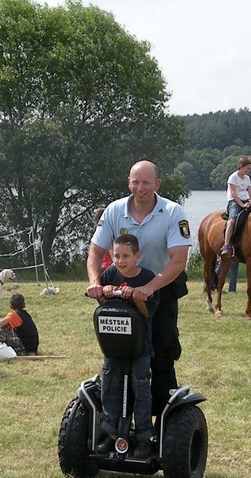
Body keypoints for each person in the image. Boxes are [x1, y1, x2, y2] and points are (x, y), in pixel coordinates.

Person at [86, 160, 191, 419]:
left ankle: (164, 418)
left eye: (146, 182)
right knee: (119, 352)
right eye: (135, 182)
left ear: (157, 184)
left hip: (161, 286)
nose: (140, 188)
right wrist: (95, 282)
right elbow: (95, 252)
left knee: (161, 350)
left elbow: (179, 260)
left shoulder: (172, 212)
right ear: (128, 182)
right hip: (121, 290)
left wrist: (149, 288)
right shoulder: (114, 210)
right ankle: (118, 413)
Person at [94, 234, 159, 457]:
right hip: (114, 346)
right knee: (110, 387)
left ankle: (142, 438)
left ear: (137, 256)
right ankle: (110, 435)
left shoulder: (148, 278)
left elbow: (148, 313)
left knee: (141, 391)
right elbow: (102, 302)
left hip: (140, 347)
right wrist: (102, 291)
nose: (120, 261)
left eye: (125, 256)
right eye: (116, 256)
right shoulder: (109, 274)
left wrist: (137, 296)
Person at [220, 156, 251, 257]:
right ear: (241, 166)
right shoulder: (233, 177)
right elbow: (233, 193)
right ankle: (226, 245)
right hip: (234, 202)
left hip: (246, 200)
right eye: (247, 168)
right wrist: (242, 205)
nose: (249, 170)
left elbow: (250, 191)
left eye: (250, 168)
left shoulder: (247, 178)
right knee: (232, 221)